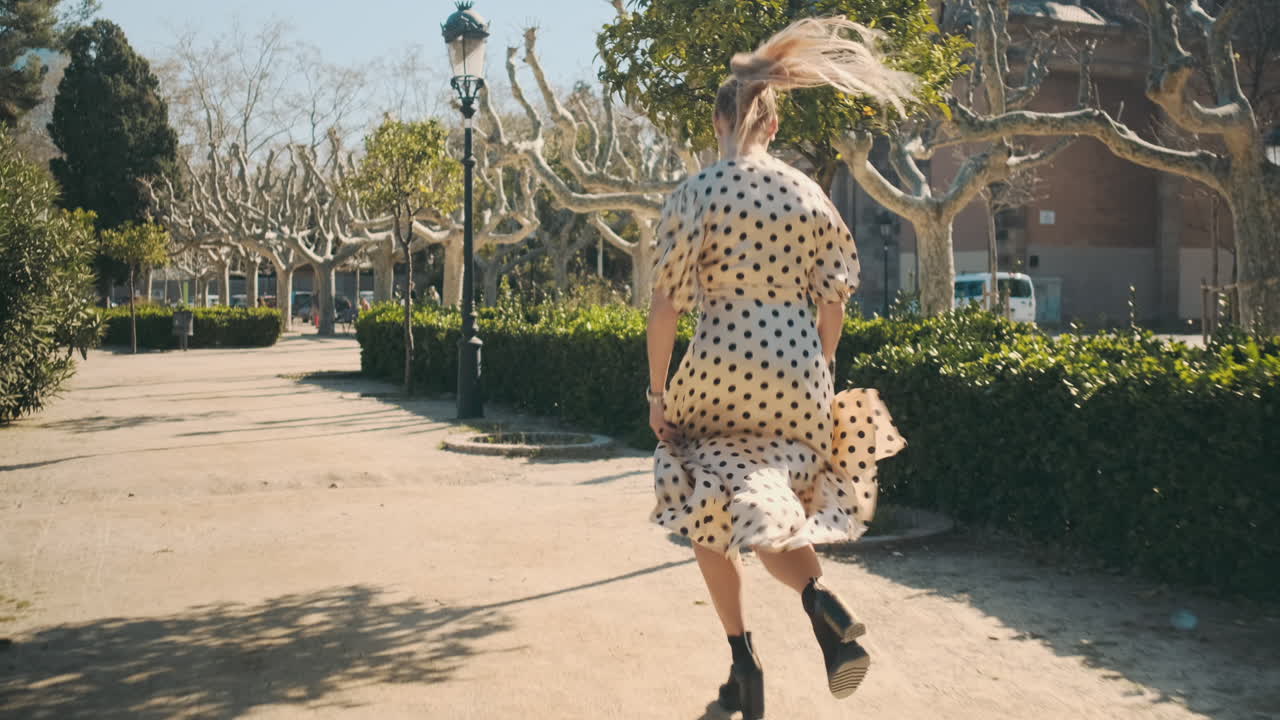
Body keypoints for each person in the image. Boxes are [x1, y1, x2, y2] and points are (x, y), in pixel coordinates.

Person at [644, 17, 915, 719]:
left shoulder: (699, 190)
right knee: (759, 498)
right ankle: (815, 606)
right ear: (770, 121)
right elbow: (835, 300)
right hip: (797, 375)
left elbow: (666, 304)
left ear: (721, 119)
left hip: (719, 367)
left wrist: (657, 392)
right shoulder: (807, 194)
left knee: (707, 498)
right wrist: (818, 373)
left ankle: (745, 658)